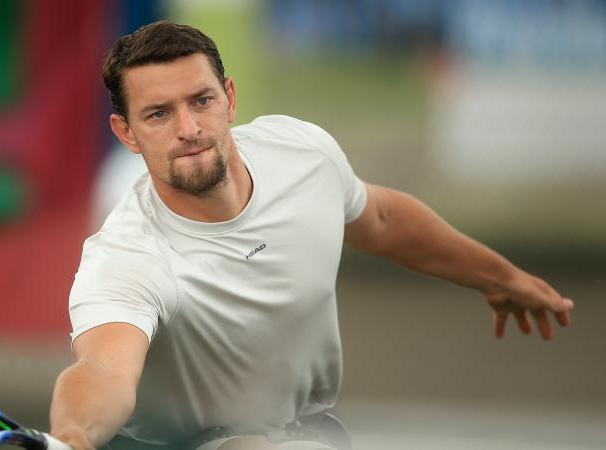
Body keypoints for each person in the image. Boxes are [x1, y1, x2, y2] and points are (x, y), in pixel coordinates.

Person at [49, 20, 574, 450]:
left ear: (229, 99)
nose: (189, 128)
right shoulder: (123, 258)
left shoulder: (302, 153)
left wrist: (499, 277)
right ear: (127, 134)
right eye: (159, 114)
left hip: (305, 432)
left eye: (201, 101)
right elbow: (104, 371)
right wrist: (71, 437)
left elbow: (383, 220)